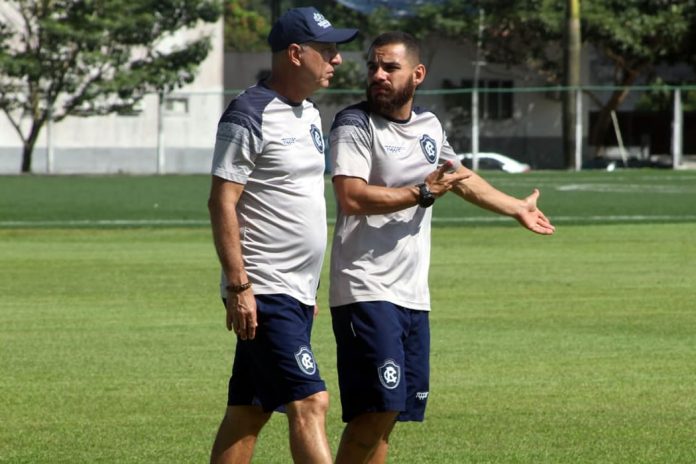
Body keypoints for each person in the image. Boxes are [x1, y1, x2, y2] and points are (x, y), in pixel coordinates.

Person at [328, 31, 556, 464]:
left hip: (412, 296)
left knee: (390, 415)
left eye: (389, 68)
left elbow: (459, 177)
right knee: (375, 411)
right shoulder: (354, 124)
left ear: (418, 74)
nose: (378, 75)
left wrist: (516, 209)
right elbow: (351, 197)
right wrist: (422, 192)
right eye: (373, 67)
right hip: (365, 288)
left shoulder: (428, 127)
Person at [207, 7, 358, 464]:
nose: (337, 60)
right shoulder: (249, 112)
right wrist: (239, 285)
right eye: (328, 51)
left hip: (294, 293)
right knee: (311, 402)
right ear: (296, 53)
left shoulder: (310, 114)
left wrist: (306, 289)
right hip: (263, 289)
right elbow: (221, 201)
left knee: (247, 412)